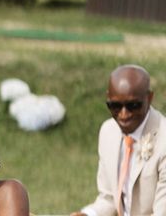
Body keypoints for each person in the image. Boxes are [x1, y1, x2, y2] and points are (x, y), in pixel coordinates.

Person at [71, 64, 166, 216]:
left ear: (149, 98)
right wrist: (88, 214)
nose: (123, 114)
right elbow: (109, 199)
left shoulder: (164, 140)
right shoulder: (108, 132)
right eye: (114, 105)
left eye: (133, 105)